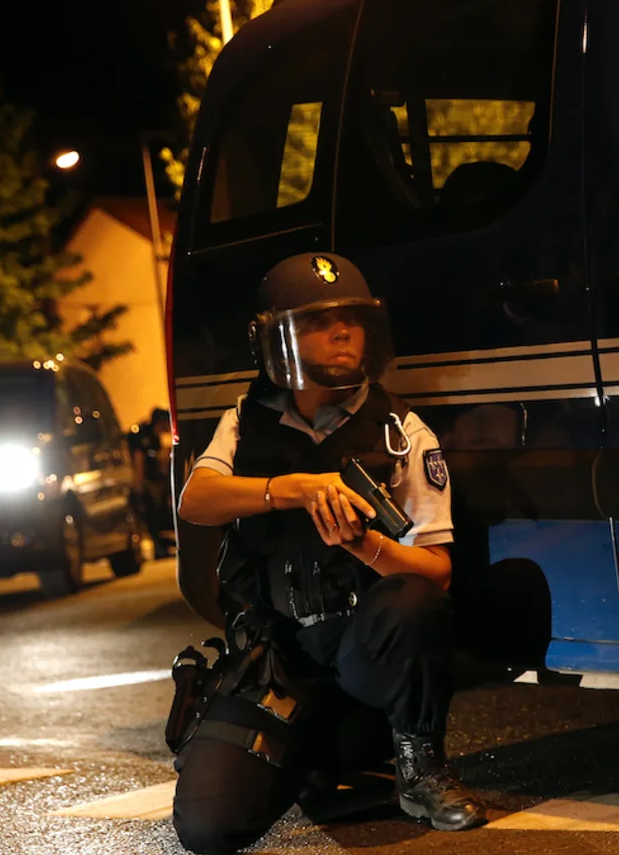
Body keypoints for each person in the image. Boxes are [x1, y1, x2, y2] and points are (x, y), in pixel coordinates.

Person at [171, 253, 486, 855]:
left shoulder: (401, 431)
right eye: (318, 323)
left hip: (361, 656)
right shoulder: (245, 421)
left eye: (352, 320)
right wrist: (289, 489)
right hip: (280, 661)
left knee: (413, 600)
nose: (342, 333)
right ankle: (311, 759)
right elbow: (197, 500)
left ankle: (419, 772)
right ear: (275, 339)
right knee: (209, 829)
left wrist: (362, 543)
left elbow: (437, 572)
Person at [128, 407, 175, 557]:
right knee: (150, 514)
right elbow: (139, 463)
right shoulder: (142, 436)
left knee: (158, 513)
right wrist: (138, 490)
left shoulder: (155, 437)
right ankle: (159, 548)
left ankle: (161, 546)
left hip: (153, 480)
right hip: (143, 482)